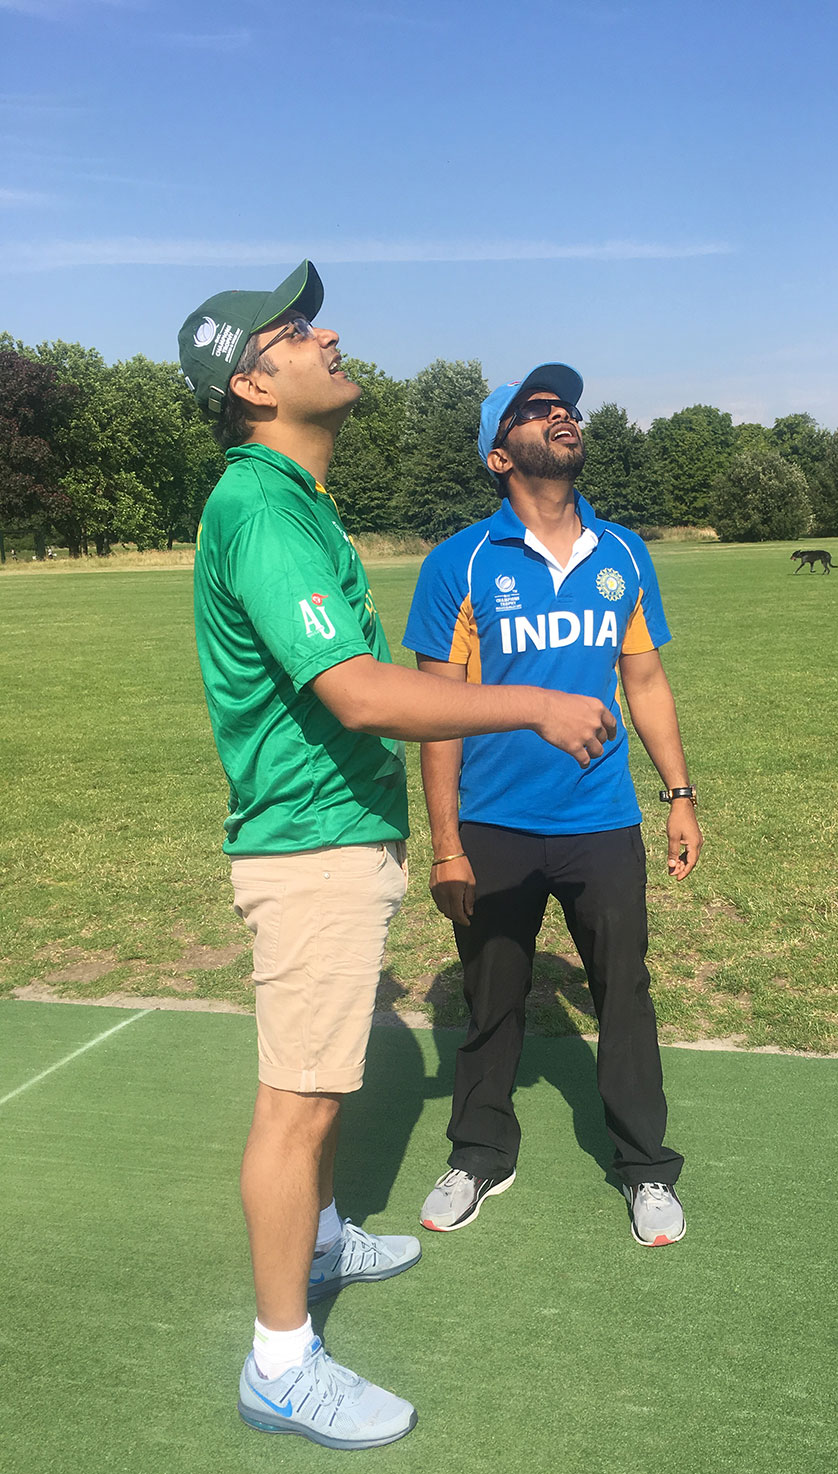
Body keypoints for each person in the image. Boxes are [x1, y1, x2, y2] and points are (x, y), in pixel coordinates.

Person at [179, 274, 617, 1452]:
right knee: (298, 1102)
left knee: (323, 1089)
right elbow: (359, 692)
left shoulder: (293, 502)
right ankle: (281, 1363)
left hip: (336, 837)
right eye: (295, 330)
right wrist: (530, 702)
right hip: (309, 846)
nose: (327, 333)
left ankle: (321, 1239)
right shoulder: (263, 508)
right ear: (253, 381)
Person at [403, 364, 703, 1248]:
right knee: (493, 1000)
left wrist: (679, 794)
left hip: (602, 821)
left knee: (625, 993)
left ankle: (645, 1167)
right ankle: (480, 1154)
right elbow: (435, 720)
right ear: (501, 455)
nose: (559, 414)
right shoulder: (458, 563)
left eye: (563, 405)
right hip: (493, 826)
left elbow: (645, 681)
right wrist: (447, 844)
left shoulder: (623, 554)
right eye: (535, 410)